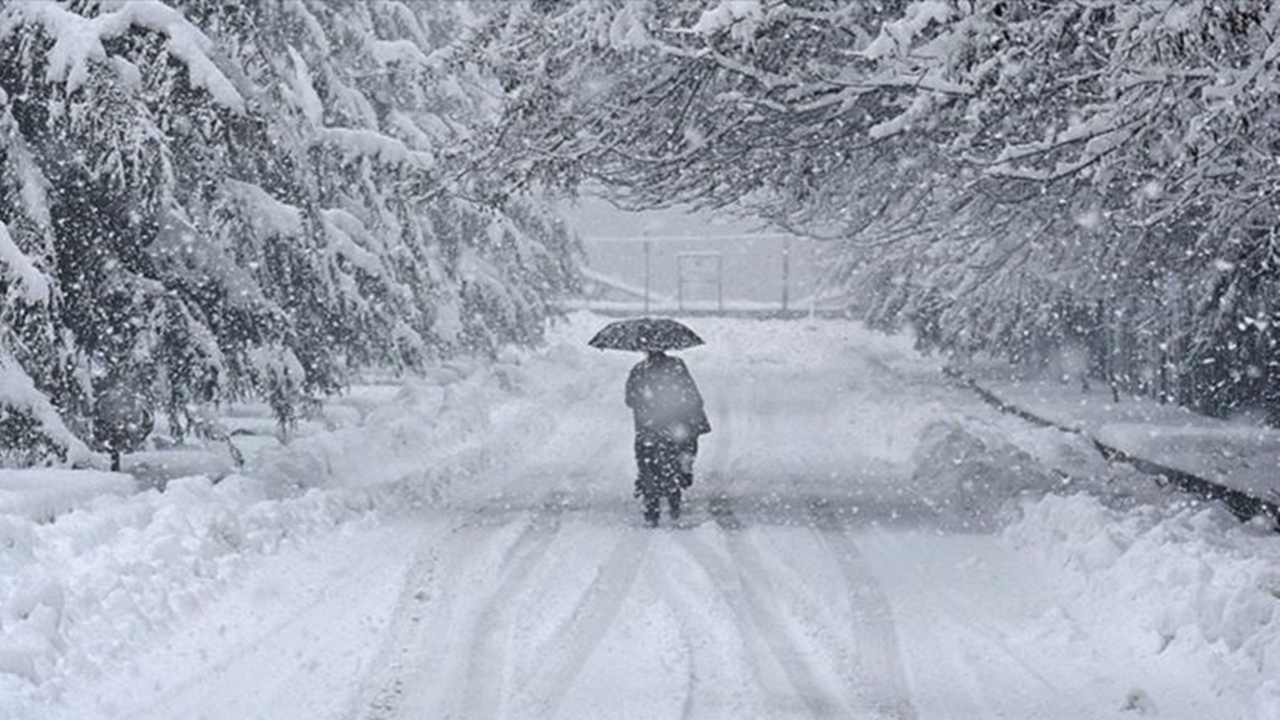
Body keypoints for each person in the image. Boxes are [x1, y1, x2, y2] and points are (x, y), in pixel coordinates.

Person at [625, 349, 710, 526]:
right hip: (675, 425)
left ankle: (651, 506)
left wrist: (647, 403)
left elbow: (630, 399)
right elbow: (691, 394)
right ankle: (674, 497)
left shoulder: (639, 370)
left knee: (648, 464)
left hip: (648, 427)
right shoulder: (677, 366)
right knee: (675, 459)